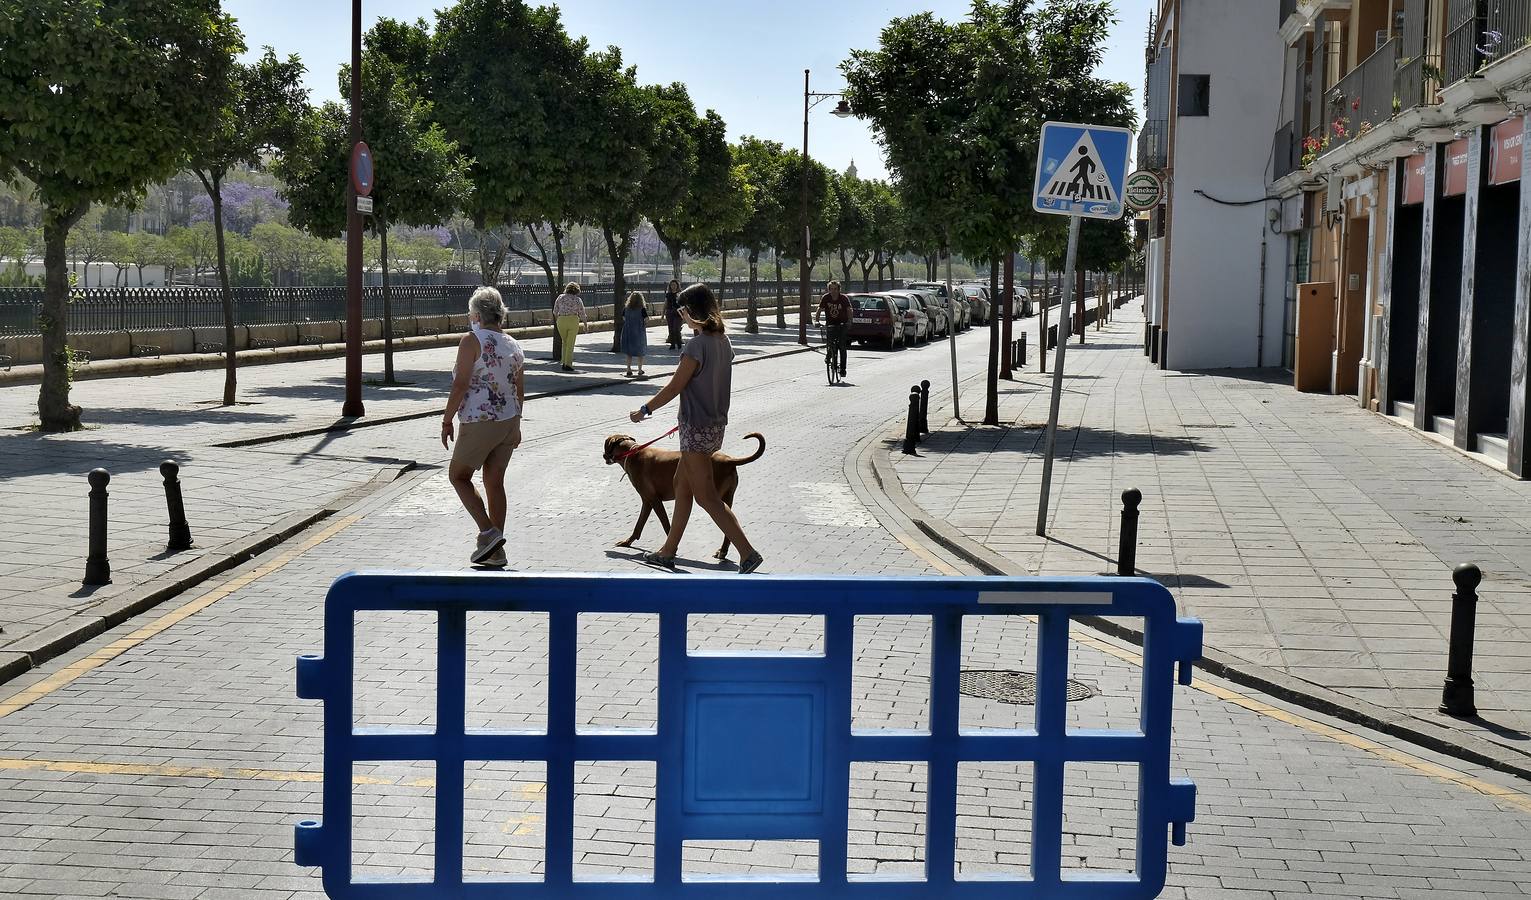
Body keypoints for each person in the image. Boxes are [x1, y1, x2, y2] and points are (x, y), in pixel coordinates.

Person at [629, 284, 762, 574]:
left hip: (696, 429)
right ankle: (668, 550)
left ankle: (747, 551)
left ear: (690, 311)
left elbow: (675, 386)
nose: (681, 318)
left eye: (682, 311)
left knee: (706, 497)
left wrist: (645, 409)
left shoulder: (696, 346)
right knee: (681, 484)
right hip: (714, 426)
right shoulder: (723, 341)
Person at [441, 286, 526, 568]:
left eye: (470, 314)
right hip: (508, 420)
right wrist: (517, 425)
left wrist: (446, 419)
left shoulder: (471, 340)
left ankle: (487, 532)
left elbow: (460, 383)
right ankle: (495, 551)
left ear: (477, 314)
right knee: (495, 482)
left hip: (479, 419)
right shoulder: (514, 345)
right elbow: (519, 389)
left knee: (459, 476)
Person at [817, 280, 851, 377]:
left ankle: (843, 369)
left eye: (835, 289)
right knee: (830, 343)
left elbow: (849, 310)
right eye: (831, 289)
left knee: (842, 347)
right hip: (830, 324)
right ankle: (829, 354)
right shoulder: (826, 298)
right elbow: (819, 309)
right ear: (828, 290)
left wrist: (849, 321)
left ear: (839, 289)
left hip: (842, 324)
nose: (833, 291)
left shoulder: (843, 298)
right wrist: (816, 320)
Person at [552, 282, 587, 372]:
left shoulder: (560, 297)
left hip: (561, 320)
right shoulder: (577, 300)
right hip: (573, 320)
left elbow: (555, 311)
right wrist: (585, 325)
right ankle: (568, 364)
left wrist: (557, 321)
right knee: (570, 344)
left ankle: (563, 362)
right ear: (577, 290)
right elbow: (582, 313)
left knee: (565, 342)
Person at [622, 291, 649, 377]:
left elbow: (623, 317)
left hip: (628, 331)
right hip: (639, 332)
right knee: (640, 352)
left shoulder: (626, 308)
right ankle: (640, 370)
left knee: (629, 352)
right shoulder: (642, 309)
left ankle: (628, 369)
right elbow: (646, 319)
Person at [663, 279, 683, 350]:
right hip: (669, 312)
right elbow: (665, 304)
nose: (673, 286)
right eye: (671, 285)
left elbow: (683, 304)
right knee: (670, 329)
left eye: (674, 285)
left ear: (677, 286)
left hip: (678, 313)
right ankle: (672, 344)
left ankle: (678, 342)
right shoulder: (668, 294)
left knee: (676, 329)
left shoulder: (680, 293)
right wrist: (663, 314)